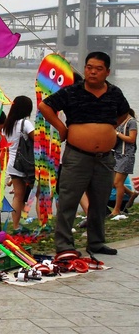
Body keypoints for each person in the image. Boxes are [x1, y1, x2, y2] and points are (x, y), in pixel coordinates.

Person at [38, 51, 130, 256]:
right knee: (69, 200)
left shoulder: (115, 93)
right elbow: (45, 106)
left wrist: (107, 130)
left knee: (99, 201)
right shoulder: (72, 91)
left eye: (98, 69)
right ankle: (64, 245)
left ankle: (96, 242)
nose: (92, 72)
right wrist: (62, 128)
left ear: (107, 72)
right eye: (89, 67)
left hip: (105, 158)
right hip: (77, 156)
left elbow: (124, 113)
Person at [3, 96, 35, 233]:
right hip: (25, 163)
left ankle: (16, 226)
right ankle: (42, 220)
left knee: (18, 195)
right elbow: (37, 140)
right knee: (36, 192)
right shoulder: (25, 124)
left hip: (12, 163)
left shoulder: (7, 125)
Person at [110, 109, 137, 217]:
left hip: (126, 155)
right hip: (117, 154)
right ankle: (131, 194)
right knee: (112, 182)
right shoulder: (120, 122)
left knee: (118, 183)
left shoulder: (132, 122)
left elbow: (131, 139)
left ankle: (116, 209)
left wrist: (116, 133)